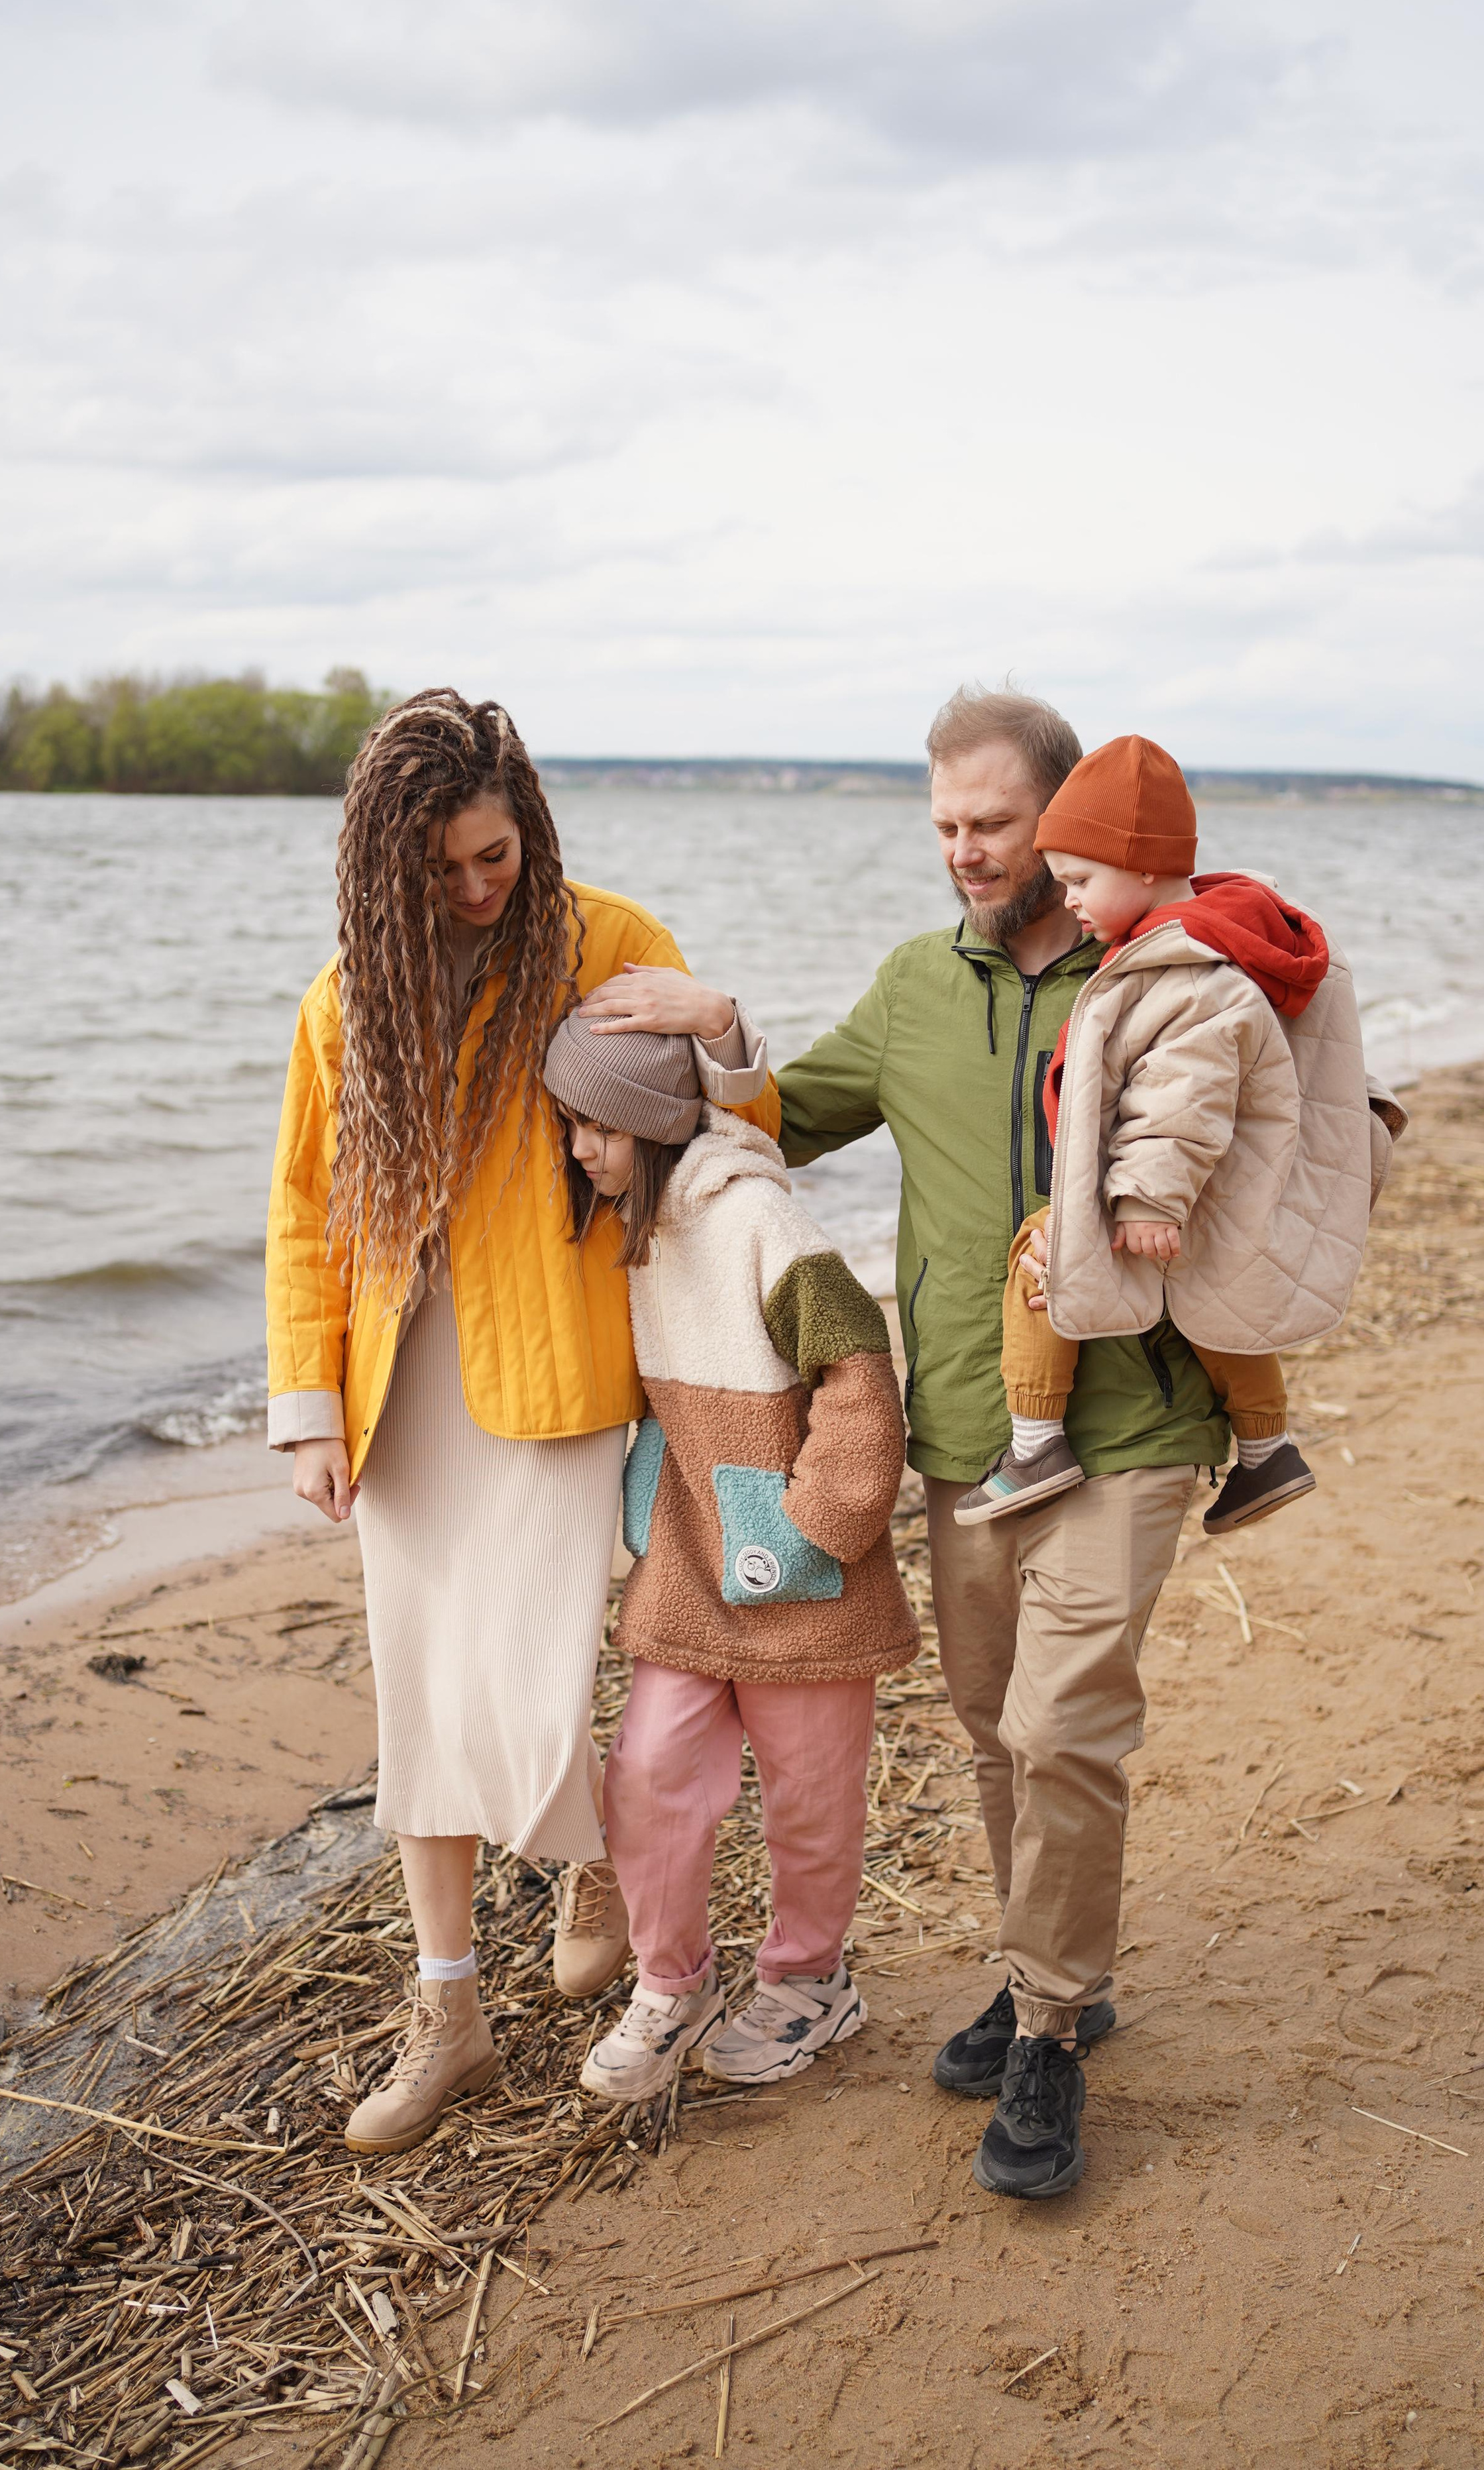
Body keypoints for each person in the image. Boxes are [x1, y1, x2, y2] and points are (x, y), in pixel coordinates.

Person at [772, 682, 1341, 2202]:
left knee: (1065, 1721)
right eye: (943, 825)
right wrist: (670, 1053)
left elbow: (1268, 1102)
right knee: (987, 1722)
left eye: (993, 823)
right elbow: (778, 1114)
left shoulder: (1162, 971)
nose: (963, 850)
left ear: (1063, 819)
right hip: (966, 1426)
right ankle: (1060, 1970)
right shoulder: (909, 986)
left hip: (1135, 1416)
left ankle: (1042, 2031)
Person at [266, 688, 774, 2155]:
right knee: (420, 1694)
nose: (478, 888)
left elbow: (732, 1147)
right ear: (384, 867)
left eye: (496, 855)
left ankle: (593, 1856)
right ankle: (452, 2019)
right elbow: (304, 1213)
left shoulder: (609, 944)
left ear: (527, 828)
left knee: (543, 1674)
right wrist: (308, 1411)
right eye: (445, 869)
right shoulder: (340, 998)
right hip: (392, 1385)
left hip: (555, 1365)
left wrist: (724, 1032)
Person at [537, 1012, 918, 2102]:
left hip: (801, 1573)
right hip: (693, 1563)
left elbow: (856, 1368)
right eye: (567, 1126)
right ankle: (672, 1983)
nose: (576, 1150)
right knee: (650, 1771)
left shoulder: (758, 1218)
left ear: (649, 1124)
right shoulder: (635, 1223)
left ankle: (811, 1982)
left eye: (590, 1128)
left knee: (809, 1794)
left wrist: (815, 1524)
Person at [955, 732, 1348, 1538]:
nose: (1067, 899)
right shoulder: (1196, 942)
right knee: (1217, 1302)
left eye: (1079, 879)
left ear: (1139, 867)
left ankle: (1035, 1443)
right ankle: (1266, 1449)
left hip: (1175, 1186)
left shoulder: (1190, 968)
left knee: (1040, 1257)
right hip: (1210, 1189)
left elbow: (1183, 1096)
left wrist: (1142, 1199)